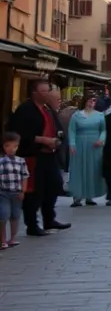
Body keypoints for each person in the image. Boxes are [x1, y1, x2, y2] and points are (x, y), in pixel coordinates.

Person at [6, 80, 69, 236]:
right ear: (35, 93)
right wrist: (41, 140)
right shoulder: (25, 110)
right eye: (44, 91)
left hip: (49, 155)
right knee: (34, 191)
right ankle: (32, 224)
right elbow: (18, 133)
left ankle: (49, 219)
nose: (47, 94)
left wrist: (57, 141)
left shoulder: (48, 110)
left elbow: (58, 130)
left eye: (48, 91)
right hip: (33, 156)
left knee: (54, 185)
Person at [68, 95, 107, 207]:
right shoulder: (76, 115)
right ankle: (77, 196)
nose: (91, 103)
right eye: (89, 100)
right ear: (85, 102)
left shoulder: (100, 115)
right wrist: (72, 144)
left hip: (94, 146)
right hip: (80, 144)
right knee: (78, 169)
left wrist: (101, 140)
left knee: (92, 169)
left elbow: (103, 130)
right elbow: (72, 131)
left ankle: (90, 196)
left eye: (93, 101)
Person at [0, 131, 29, 249]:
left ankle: (12, 238)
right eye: (8, 146)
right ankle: (2, 240)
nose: (12, 149)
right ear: (4, 146)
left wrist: (23, 191)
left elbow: (25, 176)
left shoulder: (21, 161)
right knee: (3, 215)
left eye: (15, 146)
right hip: (3, 193)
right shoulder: (1, 161)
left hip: (17, 193)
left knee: (15, 216)